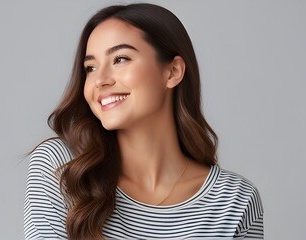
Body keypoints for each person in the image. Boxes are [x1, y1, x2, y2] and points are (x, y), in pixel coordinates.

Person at [24, 3, 264, 239]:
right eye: (91, 67)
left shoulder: (235, 200)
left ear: (172, 72)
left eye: (120, 59)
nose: (100, 80)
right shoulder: (63, 169)